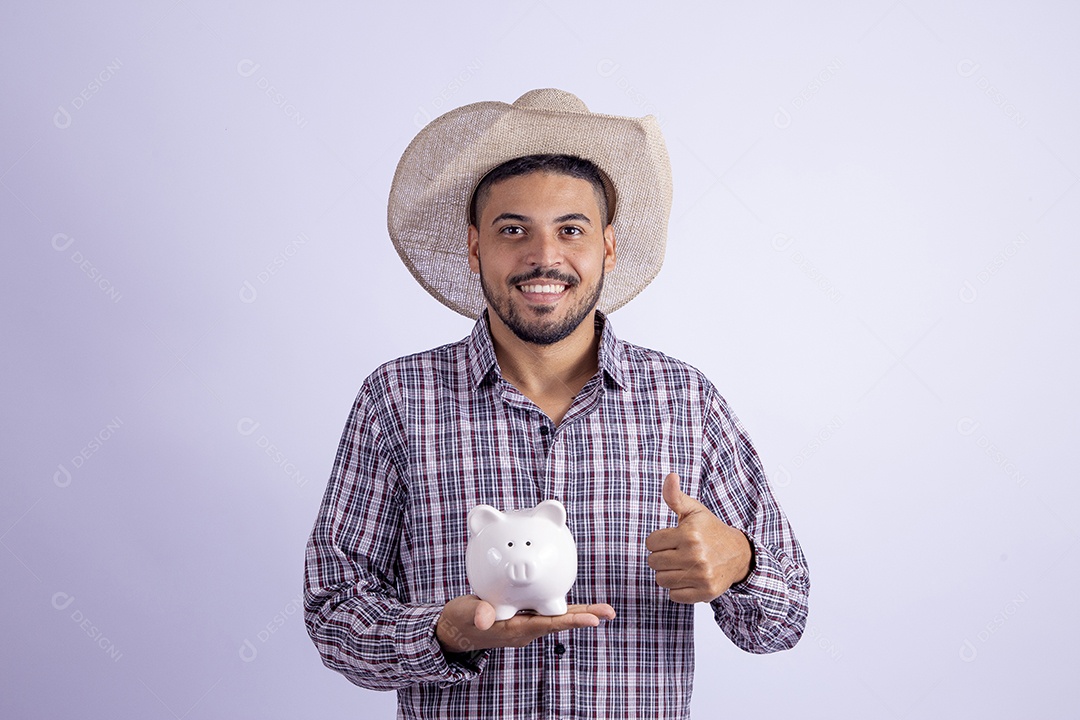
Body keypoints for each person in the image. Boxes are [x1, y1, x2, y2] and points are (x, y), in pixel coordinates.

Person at [304, 88, 810, 720]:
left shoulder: (684, 400)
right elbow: (333, 614)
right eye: (513, 230)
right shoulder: (399, 399)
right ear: (474, 248)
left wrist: (741, 564)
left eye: (571, 230)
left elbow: (784, 619)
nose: (544, 257)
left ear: (608, 247)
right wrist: (445, 635)